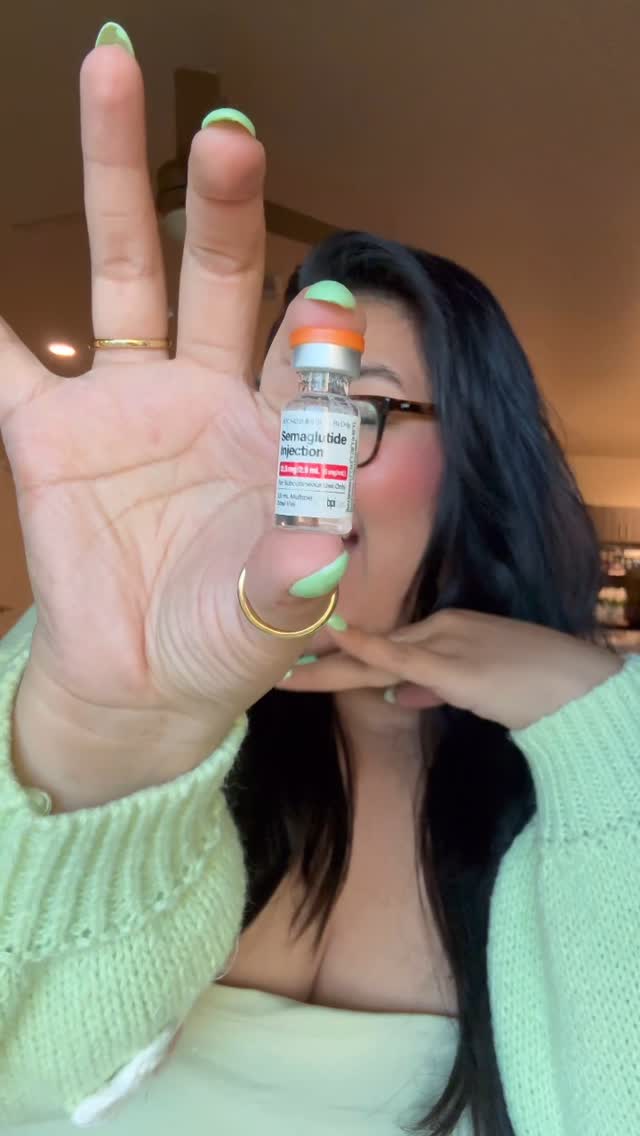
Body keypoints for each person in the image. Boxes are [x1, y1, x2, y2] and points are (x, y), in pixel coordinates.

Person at [0, 23, 638, 1136]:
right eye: (281, 415)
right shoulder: (84, 701)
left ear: (476, 464)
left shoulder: (583, 779)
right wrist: (101, 750)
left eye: (350, 409)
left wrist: (598, 729)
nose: (291, 469)